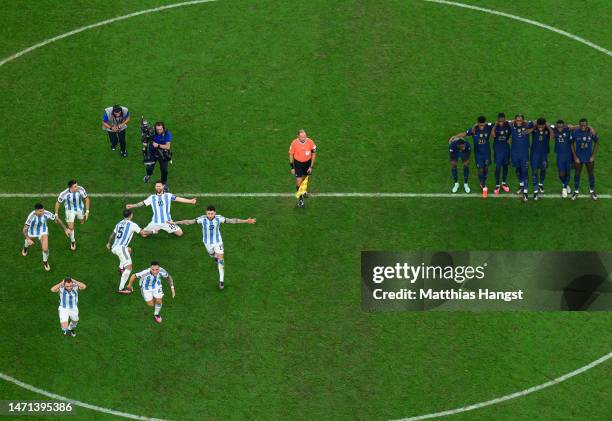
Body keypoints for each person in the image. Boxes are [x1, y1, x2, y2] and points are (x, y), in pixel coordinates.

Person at [173, 205, 256, 290]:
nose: (210, 215)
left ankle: (221, 281)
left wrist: (246, 221)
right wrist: (175, 222)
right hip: (207, 243)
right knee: (212, 255)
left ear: (215, 213)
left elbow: (232, 221)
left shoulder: (219, 218)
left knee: (221, 260)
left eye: (212, 213)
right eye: (208, 213)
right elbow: (189, 222)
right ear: (206, 213)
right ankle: (215, 257)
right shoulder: (202, 219)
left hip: (218, 242)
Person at [125, 181, 196, 236]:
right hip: (155, 222)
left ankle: (160, 229)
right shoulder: (152, 197)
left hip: (167, 221)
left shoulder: (168, 195)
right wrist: (132, 205)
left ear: (163, 186)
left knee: (180, 233)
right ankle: (154, 231)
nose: (158, 187)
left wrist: (190, 201)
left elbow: (178, 199)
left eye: (159, 186)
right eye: (156, 186)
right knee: (144, 234)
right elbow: (142, 203)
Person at [106, 209, 150, 293]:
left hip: (114, 248)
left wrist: (108, 243)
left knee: (129, 250)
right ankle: (121, 288)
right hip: (121, 248)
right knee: (129, 268)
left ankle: (121, 268)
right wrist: (153, 231)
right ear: (131, 215)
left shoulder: (119, 223)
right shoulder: (132, 224)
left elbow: (113, 234)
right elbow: (143, 233)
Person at [450, 116, 492, 197]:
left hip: (487, 153)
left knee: (486, 168)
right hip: (478, 154)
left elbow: (501, 122)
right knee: (480, 169)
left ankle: (483, 181)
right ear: (478, 123)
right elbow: (465, 134)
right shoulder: (474, 130)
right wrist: (455, 136)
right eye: (480, 125)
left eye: (483, 125)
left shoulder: (489, 127)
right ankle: (483, 186)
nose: (482, 127)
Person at [22, 203, 71, 271]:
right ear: (36, 211)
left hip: (43, 231)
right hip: (32, 232)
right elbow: (24, 229)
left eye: (43, 210)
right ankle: (25, 247)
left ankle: (45, 261)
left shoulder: (46, 213)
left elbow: (56, 219)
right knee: (29, 241)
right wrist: (27, 239)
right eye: (40, 211)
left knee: (45, 249)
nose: (43, 212)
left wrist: (65, 229)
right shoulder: (31, 216)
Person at [54, 179, 90, 251]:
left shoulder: (81, 189)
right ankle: (73, 241)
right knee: (70, 227)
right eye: (75, 186)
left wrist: (87, 211)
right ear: (71, 188)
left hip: (80, 208)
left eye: (76, 185)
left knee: (81, 219)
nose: (77, 187)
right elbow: (58, 203)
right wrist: (56, 214)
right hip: (70, 211)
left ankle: (81, 219)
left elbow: (87, 199)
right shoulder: (64, 194)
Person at [571, 118, 599, 200]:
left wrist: (593, 156)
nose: (583, 126)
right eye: (581, 125)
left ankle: (592, 191)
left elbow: (597, 142)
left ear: (587, 125)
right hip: (578, 158)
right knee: (577, 174)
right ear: (579, 125)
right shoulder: (575, 132)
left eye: (584, 125)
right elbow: (571, 144)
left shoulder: (591, 132)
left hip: (589, 158)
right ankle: (576, 191)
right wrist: (575, 157)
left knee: (591, 173)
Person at [509, 114, 534, 202]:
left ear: (523, 120)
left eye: (520, 120)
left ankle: (525, 192)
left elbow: (539, 122)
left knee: (525, 172)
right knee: (518, 170)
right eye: (517, 120)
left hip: (524, 154)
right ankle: (521, 185)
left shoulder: (527, 125)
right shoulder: (511, 125)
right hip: (514, 153)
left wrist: (531, 129)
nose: (519, 122)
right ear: (515, 120)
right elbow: (501, 122)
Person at [289, 129, 317, 208]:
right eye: (302, 137)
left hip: (307, 163)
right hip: (298, 164)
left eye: (305, 136)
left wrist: (311, 166)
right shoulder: (294, 143)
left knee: (305, 179)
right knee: (298, 181)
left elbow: (314, 154)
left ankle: (304, 191)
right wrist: (292, 167)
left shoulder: (310, 142)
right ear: (298, 136)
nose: (303, 138)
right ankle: (301, 200)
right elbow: (291, 155)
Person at [530, 118, 554, 200]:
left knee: (543, 168)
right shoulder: (534, 128)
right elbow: (525, 130)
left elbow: (552, 137)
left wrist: (548, 127)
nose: (540, 128)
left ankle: (541, 184)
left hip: (544, 153)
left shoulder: (547, 129)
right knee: (534, 171)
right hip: (534, 154)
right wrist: (533, 125)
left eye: (542, 126)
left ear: (545, 125)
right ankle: (535, 191)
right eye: (539, 126)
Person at [143, 122, 173, 190]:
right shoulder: (151, 132)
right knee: (149, 167)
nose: (159, 131)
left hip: (163, 153)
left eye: (160, 129)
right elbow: (145, 140)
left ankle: (164, 183)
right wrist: (145, 141)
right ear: (155, 128)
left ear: (163, 128)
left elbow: (167, 147)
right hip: (152, 153)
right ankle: (148, 175)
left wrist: (158, 145)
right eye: (157, 129)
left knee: (164, 170)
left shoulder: (167, 133)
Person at [552, 120, 574, 197]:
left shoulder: (568, 129)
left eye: (561, 126)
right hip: (560, 155)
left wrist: (571, 126)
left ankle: (564, 188)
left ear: (564, 125)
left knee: (568, 172)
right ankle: (566, 184)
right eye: (558, 127)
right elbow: (546, 124)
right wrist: (551, 127)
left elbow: (578, 127)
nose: (560, 128)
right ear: (556, 126)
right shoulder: (554, 129)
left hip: (568, 154)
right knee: (561, 173)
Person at [491, 113, 511, 195]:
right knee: (498, 167)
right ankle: (497, 185)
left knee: (505, 165)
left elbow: (512, 131)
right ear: (497, 120)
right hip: (498, 149)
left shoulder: (508, 125)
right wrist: (495, 125)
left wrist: (510, 139)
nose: (501, 123)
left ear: (505, 119)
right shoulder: (495, 126)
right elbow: (493, 135)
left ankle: (503, 183)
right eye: (499, 121)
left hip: (506, 149)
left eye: (502, 121)